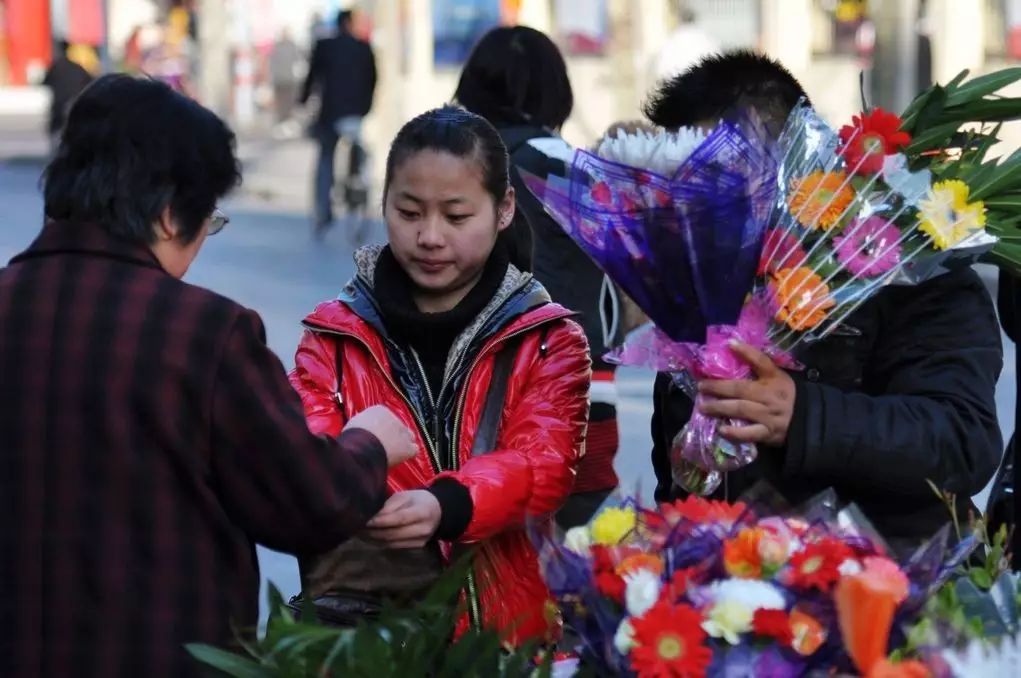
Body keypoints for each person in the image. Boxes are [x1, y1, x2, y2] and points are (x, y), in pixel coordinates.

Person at [0, 74, 416, 678]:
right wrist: (369, 444)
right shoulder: (202, 335)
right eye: (207, 222)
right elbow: (305, 501)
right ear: (170, 216)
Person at [645, 51, 1003, 554]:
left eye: (710, 179)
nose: (684, 204)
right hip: (737, 589)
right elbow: (676, 466)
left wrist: (804, 417)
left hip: (886, 590)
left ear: (788, 162)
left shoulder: (910, 267)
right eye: (675, 179)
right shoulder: (699, 284)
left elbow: (962, 440)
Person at [289, 106, 591, 644]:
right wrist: (360, 469)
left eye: (455, 217)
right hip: (367, 637)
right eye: (409, 213)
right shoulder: (332, 336)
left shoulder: (548, 339)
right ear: (383, 204)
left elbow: (544, 463)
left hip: (504, 638)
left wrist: (449, 503)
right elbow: (305, 457)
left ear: (503, 210)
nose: (430, 236)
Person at [455, 26, 620, 528]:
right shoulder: (561, 163)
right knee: (562, 545)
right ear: (555, 91)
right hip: (572, 388)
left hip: (463, 390)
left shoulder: (448, 160)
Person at [300, 9, 377, 235]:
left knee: (326, 158)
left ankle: (324, 209)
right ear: (351, 24)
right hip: (354, 113)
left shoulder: (325, 46)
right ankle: (356, 198)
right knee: (356, 158)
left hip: (330, 114)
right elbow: (373, 80)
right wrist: (365, 108)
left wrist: (303, 99)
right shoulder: (364, 48)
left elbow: (312, 76)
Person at [42, 41, 94, 149]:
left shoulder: (55, 68)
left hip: (59, 106)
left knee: (56, 136)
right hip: (74, 104)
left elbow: (44, 82)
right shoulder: (77, 68)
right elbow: (90, 81)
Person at [269, 29, 303, 127]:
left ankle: (285, 120)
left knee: (285, 101)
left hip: (284, 78)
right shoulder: (289, 46)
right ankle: (284, 120)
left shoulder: (282, 46)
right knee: (285, 101)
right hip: (284, 78)